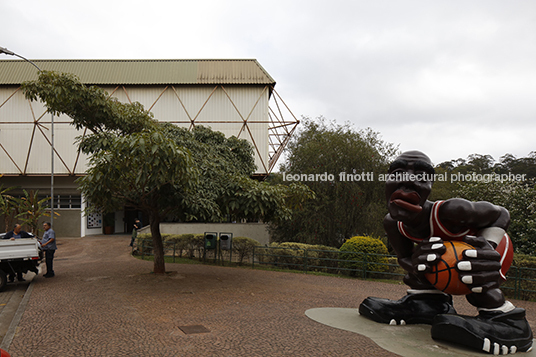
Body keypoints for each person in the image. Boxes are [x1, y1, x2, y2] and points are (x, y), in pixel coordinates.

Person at [359, 151, 533, 354]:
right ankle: (428, 303)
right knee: (425, 260)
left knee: (468, 266)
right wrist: (418, 263)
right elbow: (405, 259)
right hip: (448, 252)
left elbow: (501, 214)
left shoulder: (453, 211)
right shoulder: (392, 224)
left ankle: (509, 322)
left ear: (429, 188)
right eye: (397, 174)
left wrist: (487, 248)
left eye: (421, 178)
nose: (407, 181)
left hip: (492, 247)